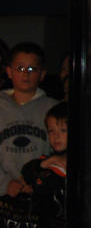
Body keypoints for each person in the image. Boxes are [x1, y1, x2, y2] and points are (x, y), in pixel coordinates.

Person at [0, 43, 57, 197]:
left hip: (39, 193)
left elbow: (60, 152)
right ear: (9, 72)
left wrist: (40, 181)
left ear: (42, 74)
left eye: (32, 69)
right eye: (20, 68)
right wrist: (5, 184)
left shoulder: (53, 109)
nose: (26, 74)